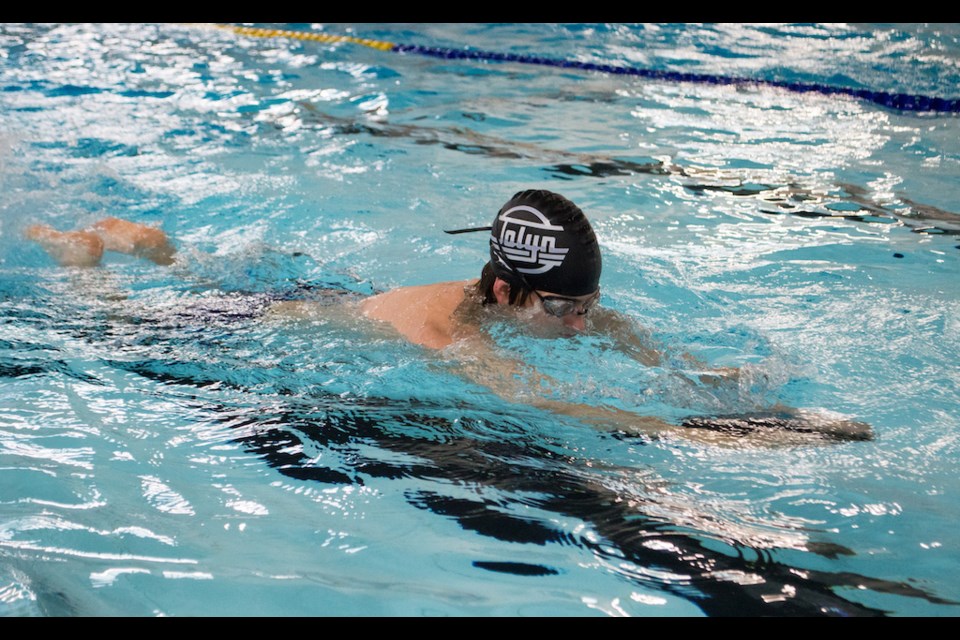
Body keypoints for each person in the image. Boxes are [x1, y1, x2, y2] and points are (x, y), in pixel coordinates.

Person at [24, 190, 872, 442]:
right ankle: (89, 260)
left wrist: (750, 391)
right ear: (506, 292)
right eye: (569, 311)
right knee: (108, 323)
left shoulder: (563, 308)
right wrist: (697, 436)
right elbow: (546, 407)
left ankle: (153, 244)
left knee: (194, 266)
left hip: (322, 288)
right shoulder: (448, 335)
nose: (586, 325)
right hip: (255, 323)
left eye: (592, 306)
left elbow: (666, 363)